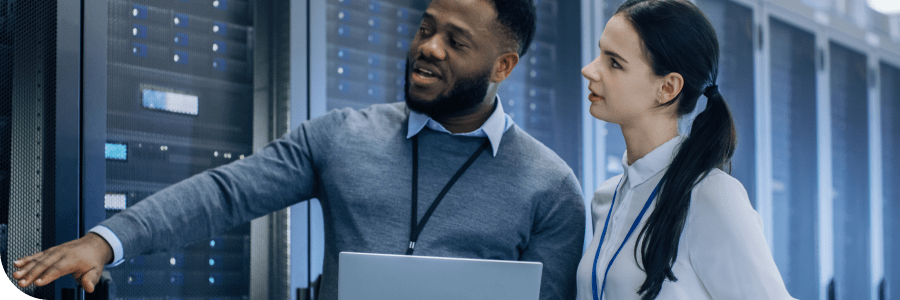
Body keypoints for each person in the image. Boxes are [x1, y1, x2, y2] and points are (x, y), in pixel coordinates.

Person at [11, 0, 586, 299]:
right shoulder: (341, 136)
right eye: (425, 27)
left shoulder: (551, 188)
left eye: (455, 41)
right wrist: (108, 241)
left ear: (503, 67)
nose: (428, 48)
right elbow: (225, 192)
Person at [575, 0, 794, 299]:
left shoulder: (711, 196)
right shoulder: (606, 198)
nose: (590, 70)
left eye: (614, 62)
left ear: (667, 88)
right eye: (600, 53)